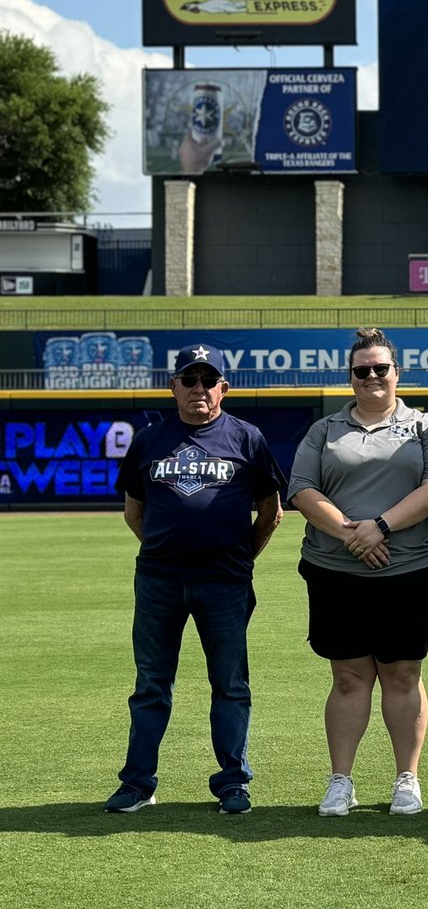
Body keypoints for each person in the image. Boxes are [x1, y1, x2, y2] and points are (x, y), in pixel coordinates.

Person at [104, 343, 284, 815]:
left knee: (229, 684)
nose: (198, 389)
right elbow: (133, 510)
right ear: (173, 387)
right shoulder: (148, 440)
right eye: (189, 379)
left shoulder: (247, 438)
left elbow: (271, 512)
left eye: (208, 380)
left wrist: (242, 557)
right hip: (160, 580)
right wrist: (166, 547)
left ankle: (233, 783)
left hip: (223, 582)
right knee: (151, 685)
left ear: (224, 387)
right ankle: (138, 783)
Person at [288, 328, 428, 818]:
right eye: (362, 370)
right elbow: (301, 489)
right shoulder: (324, 431)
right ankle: (340, 781)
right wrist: (350, 534)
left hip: (413, 568)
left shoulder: (426, 427)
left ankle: (407, 779)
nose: (372, 377)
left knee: (403, 674)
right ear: (351, 378)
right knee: (347, 677)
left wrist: (380, 527)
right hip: (335, 569)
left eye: (380, 368)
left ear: (396, 373)